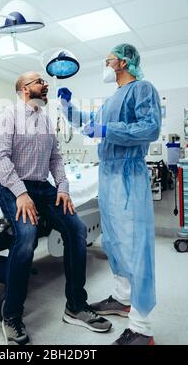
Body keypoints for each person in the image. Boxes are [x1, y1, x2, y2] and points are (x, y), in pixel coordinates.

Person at [0, 71, 112, 345]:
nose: (45, 85)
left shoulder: (45, 121)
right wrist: (21, 194)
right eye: (39, 81)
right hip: (11, 185)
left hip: (42, 186)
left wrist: (63, 187)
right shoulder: (7, 116)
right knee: (27, 235)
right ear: (24, 88)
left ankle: (76, 306)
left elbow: (56, 158)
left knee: (77, 229)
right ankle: (11, 315)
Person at [58, 44, 161, 346]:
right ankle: (122, 298)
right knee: (114, 242)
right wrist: (68, 107)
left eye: (108, 60)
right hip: (108, 176)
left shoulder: (143, 89)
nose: (105, 64)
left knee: (134, 246)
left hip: (128, 176)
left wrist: (106, 129)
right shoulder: (112, 98)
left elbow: (149, 128)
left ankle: (142, 329)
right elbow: (92, 124)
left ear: (124, 62)